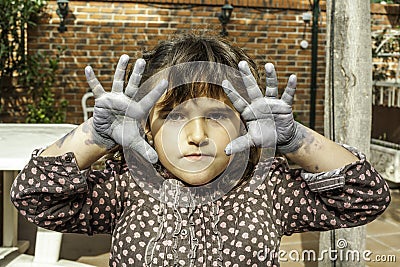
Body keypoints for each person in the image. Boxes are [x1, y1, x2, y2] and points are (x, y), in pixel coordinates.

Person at [11, 33, 390, 267]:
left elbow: (366, 195)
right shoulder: (126, 185)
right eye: (174, 117)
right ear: (146, 125)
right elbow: (34, 197)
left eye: (218, 116)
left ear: (246, 123)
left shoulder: (268, 187)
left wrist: (296, 141)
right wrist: (95, 136)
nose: (196, 135)